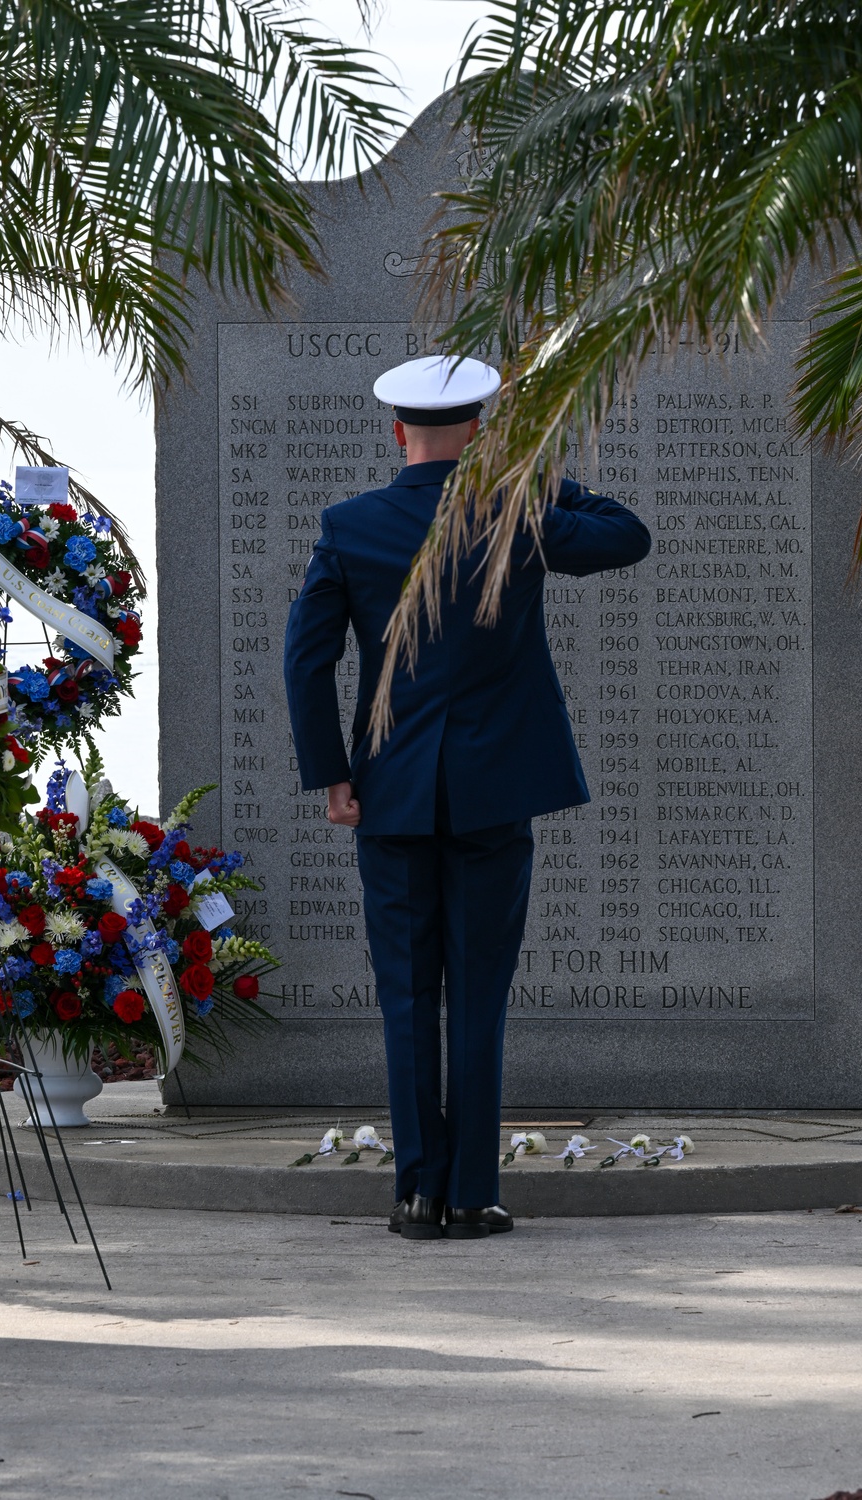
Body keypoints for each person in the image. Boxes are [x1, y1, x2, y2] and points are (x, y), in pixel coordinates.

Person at [284, 355, 651, 1240]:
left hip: (392, 791)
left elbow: (307, 658)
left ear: (396, 432)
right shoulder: (518, 513)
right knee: (478, 998)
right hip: (493, 794)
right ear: (482, 431)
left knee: (408, 996)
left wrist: (333, 772)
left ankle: (415, 1194)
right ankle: (473, 1194)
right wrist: (530, 473)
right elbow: (626, 533)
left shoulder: (351, 524)